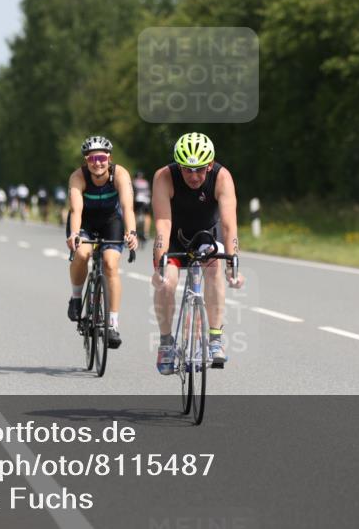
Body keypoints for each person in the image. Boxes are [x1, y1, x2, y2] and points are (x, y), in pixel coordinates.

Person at [151, 132, 244, 374]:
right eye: (187, 170)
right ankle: (166, 343)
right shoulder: (164, 177)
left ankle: (214, 339)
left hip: (207, 235)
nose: (193, 176)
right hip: (175, 236)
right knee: (166, 283)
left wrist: (234, 267)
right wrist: (159, 266)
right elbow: (162, 223)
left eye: (200, 170)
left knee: (214, 267)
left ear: (210, 165)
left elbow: (229, 225)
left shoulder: (222, 177)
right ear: (178, 166)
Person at [65, 135, 138, 349]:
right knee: (82, 254)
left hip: (111, 221)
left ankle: (112, 325)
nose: (97, 162)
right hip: (85, 221)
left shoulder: (120, 175)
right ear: (86, 161)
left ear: (109, 158)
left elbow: (127, 208)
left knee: (110, 264)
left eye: (101, 157)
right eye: (91, 158)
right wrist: (75, 234)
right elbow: (76, 210)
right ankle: (76, 298)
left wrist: (131, 232)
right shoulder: (78, 177)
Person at [132, 171, 152, 247]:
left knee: (133, 213)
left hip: (137, 200)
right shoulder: (146, 182)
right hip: (146, 201)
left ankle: (133, 230)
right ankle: (146, 232)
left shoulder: (134, 182)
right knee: (147, 215)